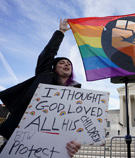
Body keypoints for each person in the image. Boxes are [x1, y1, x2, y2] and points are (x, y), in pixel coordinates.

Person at [0, 18, 81, 157]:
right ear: (54, 68)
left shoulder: (75, 92)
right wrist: (60, 32)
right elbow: (47, 54)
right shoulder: (45, 74)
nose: (67, 64)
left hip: (50, 145)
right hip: (19, 135)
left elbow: (72, 121)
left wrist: (73, 143)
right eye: (62, 62)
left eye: (69, 64)